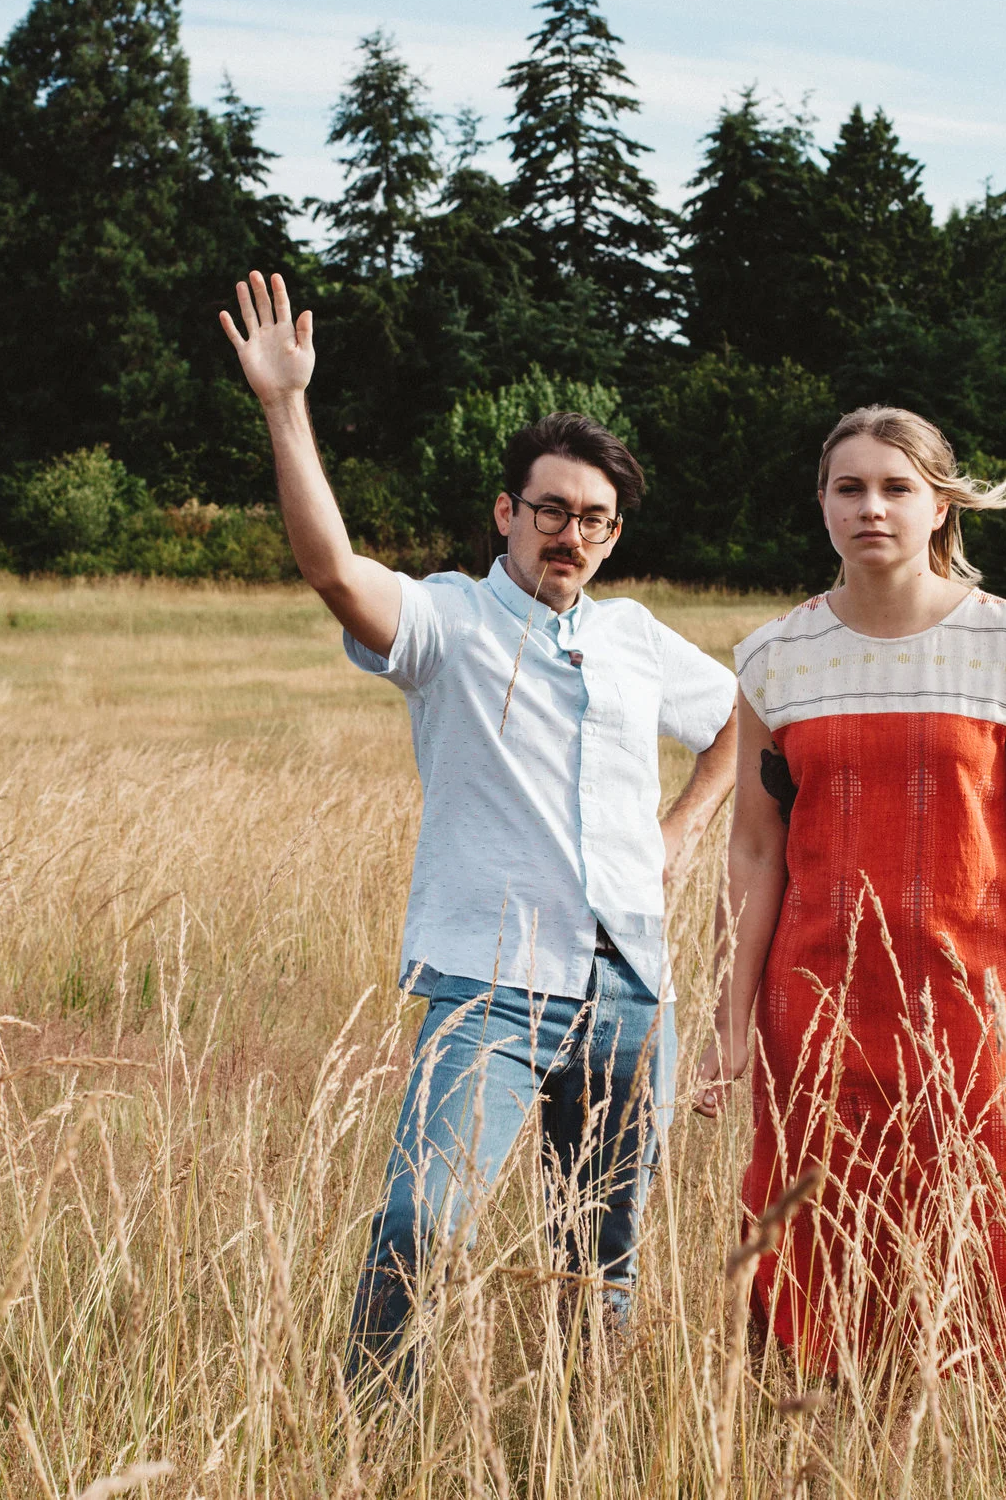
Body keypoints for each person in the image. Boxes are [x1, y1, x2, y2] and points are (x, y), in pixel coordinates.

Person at [219, 270, 739, 1400]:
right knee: (417, 1221)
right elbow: (331, 569)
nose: (573, 533)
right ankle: (369, 1441)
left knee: (600, 1261)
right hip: (488, 990)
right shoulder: (448, 620)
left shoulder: (636, 635)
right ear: (507, 511)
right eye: (550, 508)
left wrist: (685, 826)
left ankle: (580, 1444)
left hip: (628, 990)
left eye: (595, 519)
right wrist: (284, 406)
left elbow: (739, 721)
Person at [693, 404, 1006, 1412]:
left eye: (895, 486)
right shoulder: (773, 658)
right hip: (815, 1008)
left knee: (1001, 1234)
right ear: (822, 504)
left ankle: (1003, 1446)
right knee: (813, 1232)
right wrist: (729, 1022)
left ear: (938, 502)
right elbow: (753, 847)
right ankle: (816, 1432)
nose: (870, 506)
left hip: (979, 1008)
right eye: (848, 486)